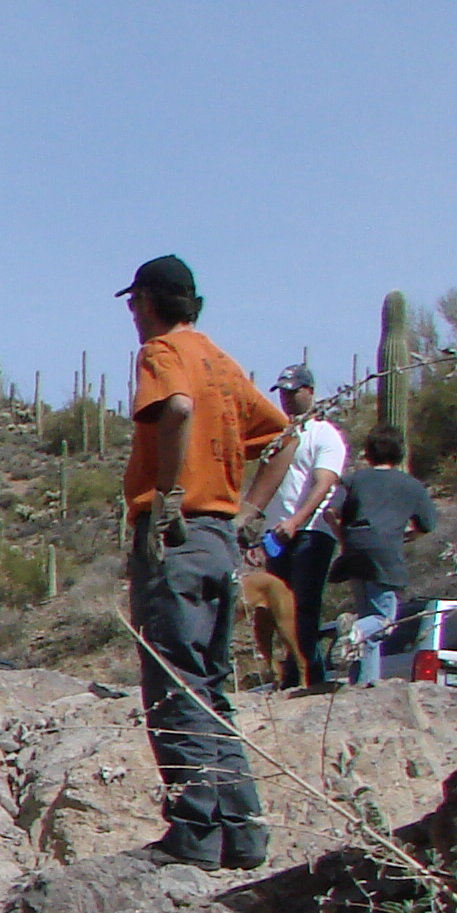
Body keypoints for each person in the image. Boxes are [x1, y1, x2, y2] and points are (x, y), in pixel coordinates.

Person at [120, 255, 289, 869]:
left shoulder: (162, 352)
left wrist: (167, 494)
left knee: (175, 684)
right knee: (212, 686)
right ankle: (242, 834)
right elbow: (283, 437)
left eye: (133, 302)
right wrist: (251, 511)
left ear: (147, 302)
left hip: (177, 534)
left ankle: (194, 834)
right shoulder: (220, 359)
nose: (132, 313)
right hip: (219, 535)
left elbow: (178, 408)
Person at [238, 366, 345, 692]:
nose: (287, 398)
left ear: (309, 391)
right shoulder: (279, 437)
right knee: (275, 611)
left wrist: (297, 520)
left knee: (302, 606)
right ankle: (287, 677)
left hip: (310, 532)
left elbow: (324, 483)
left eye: (293, 391)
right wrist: (257, 536)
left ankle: (309, 677)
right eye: (283, 392)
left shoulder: (324, 434)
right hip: (276, 534)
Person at [332, 424, 438, 683]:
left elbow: (330, 512)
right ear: (400, 452)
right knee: (383, 620)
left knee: (369, 621)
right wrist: (407, 535)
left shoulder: (353, 480)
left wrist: (344, 537)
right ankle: (355, 628)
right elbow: (427, 524)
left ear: (368, 452)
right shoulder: (411, 486)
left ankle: (364, 682)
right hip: (385, 555)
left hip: (354, 551)